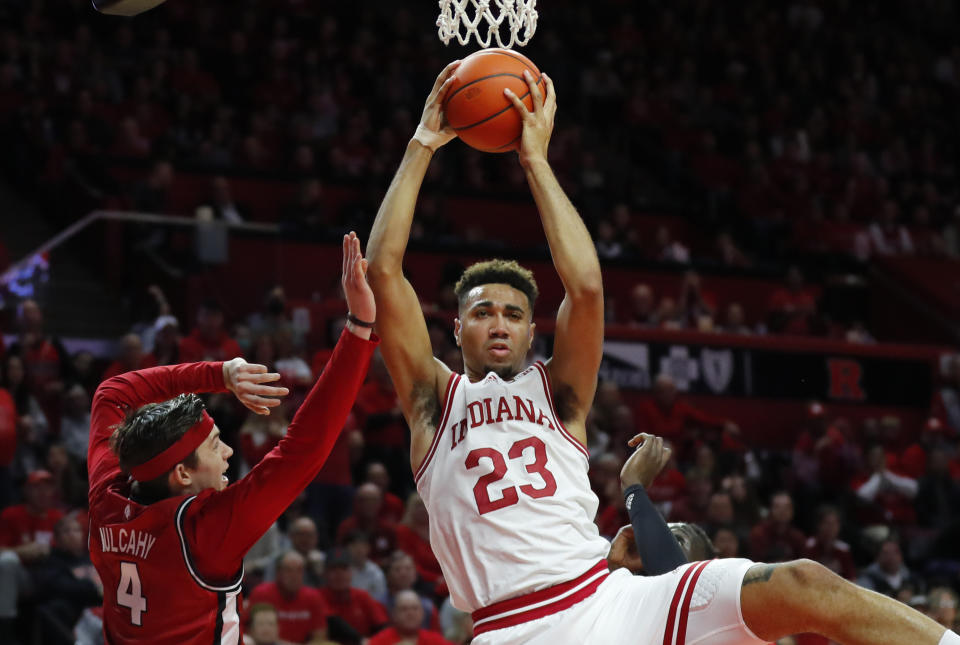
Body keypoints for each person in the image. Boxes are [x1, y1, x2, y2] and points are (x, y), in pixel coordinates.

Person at [365, 61, 960, 645]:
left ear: (529, 332)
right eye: (483, 312)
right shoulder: (433, 401)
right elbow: (384, 272)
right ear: (456, 328)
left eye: (514, 314)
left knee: (802, 582)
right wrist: (422, 145)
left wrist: (535, 160)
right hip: (515, 627)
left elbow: (588, 288)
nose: (499, 323)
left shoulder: (559, 392)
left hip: (607, 595)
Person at [87, 233, 378, 644]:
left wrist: (218, 376)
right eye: (214, 446)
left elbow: (112, 393)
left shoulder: (107, 499)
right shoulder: (203, 533)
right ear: (183, 476)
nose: (227, 453)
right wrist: (360, 327)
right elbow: (303, 448)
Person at [247, 550, 328, 644]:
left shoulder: (313, 597)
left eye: (299, 570)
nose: (294, 576)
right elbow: (246, 630)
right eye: (289, 570)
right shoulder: (261, 594)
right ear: (278, 573)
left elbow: (320, 637)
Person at [369, 589, 452, 645]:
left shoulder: (435, 640)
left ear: (422, 613)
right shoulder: (379, 641)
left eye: (415, 608)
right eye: (404, 609)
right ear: (394, 615)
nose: (410, 613)